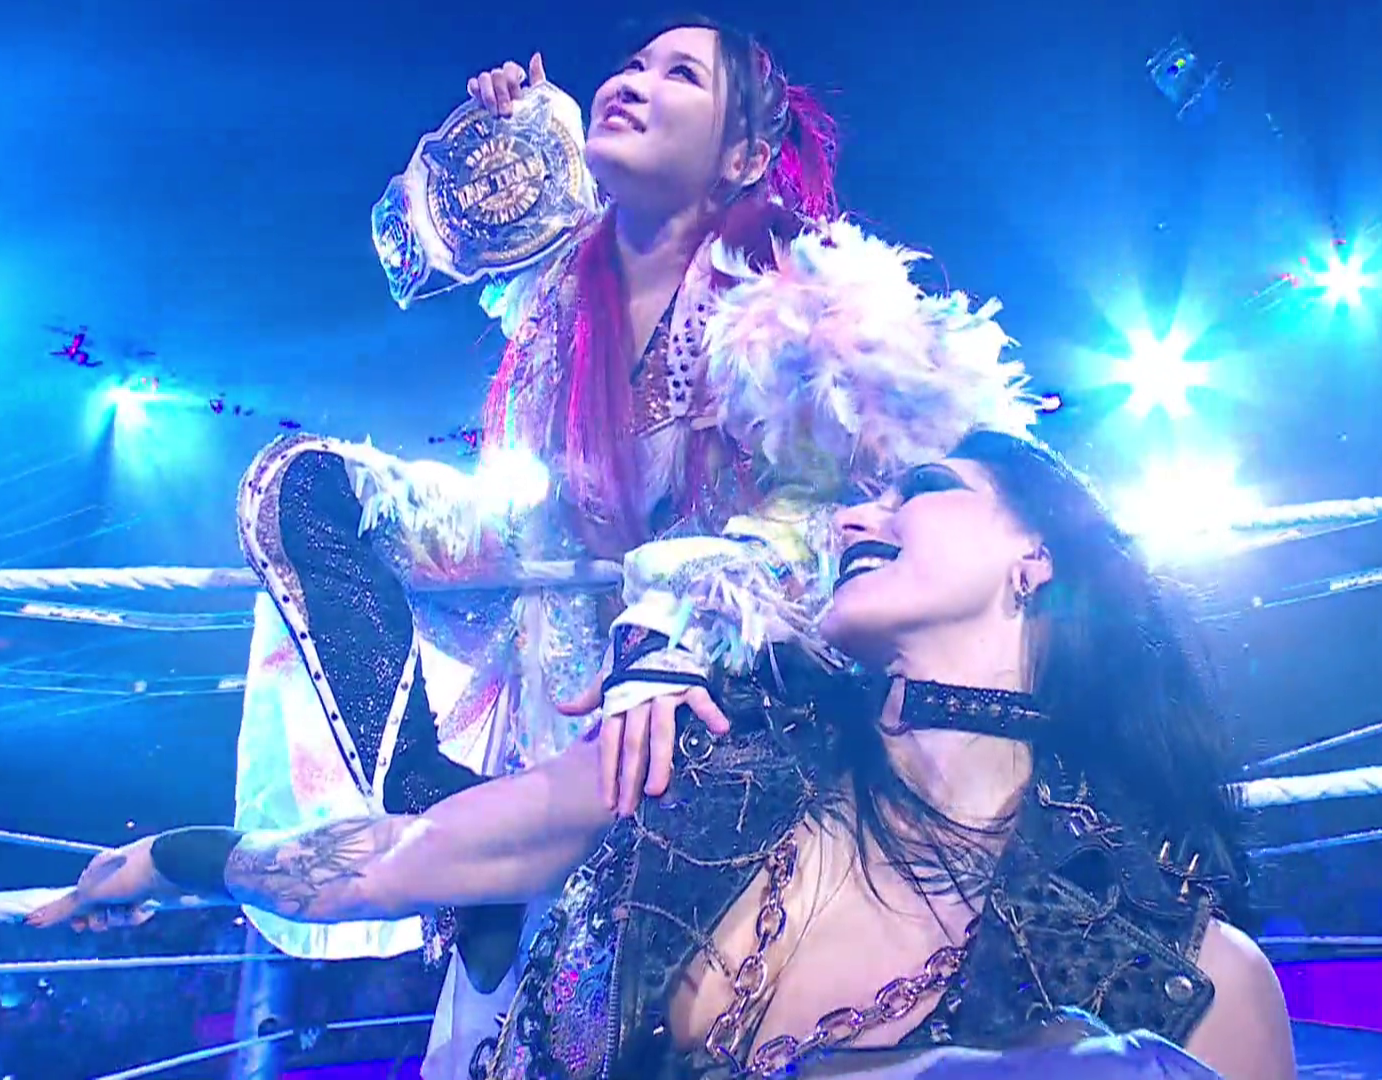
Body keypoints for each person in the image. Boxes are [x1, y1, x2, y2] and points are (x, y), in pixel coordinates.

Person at [235, 17, 1033, 1076]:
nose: (634, 82)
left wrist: (681, 614)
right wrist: (510, 130)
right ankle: (430, 798)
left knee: (596, 1027)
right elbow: (410, 248)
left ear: (744, 155)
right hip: (542, 634)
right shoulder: (564, 277)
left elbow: (838, 513)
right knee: (300, 486)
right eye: (631, 64)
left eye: (680, 74)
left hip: (716, 702)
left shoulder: (797, 301)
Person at [35, 431, 1296, 1080]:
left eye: (916, 487)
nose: (857, 515)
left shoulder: (1185, 978)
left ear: (1039, 556)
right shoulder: (704, 754)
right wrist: (171, 858)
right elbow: (398, 859)